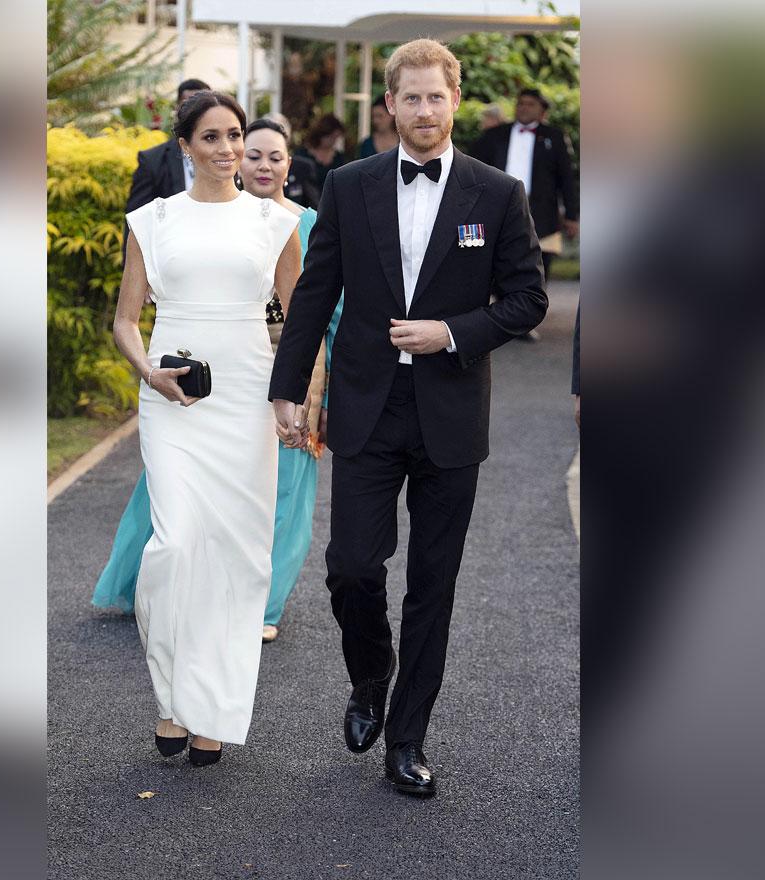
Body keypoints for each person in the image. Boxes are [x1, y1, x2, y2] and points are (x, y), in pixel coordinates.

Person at [268, 39, 548, 797]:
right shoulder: (352, 185)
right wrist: (286, 389)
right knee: (353, 567)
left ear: (455, 100)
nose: (424, 111)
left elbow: (528, 299)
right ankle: (369, 677)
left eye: (437, 96)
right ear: (389, 104)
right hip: (366, 406)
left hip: (452, 412)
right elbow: (315, 293)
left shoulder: (498, 195)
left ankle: (408, 738)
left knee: (434, 580)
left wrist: (452, 333)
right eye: (411, 97)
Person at [92, 117, 344, 644]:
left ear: (289, 165)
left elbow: (318, 316)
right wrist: (151, 368)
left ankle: (258, 606)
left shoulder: (302, 225)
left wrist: (311, 393)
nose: (259, 163)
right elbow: (129, 315)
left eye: (274, 156)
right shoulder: (170, 221)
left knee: (279, 497)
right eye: (252, 152)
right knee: (175, 508)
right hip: (191, 381)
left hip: (276, 374)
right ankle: (172, 595)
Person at [114, 91, 303, 767]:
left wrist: (296, 399)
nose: (229, 150)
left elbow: (297, 319)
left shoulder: (275, 223)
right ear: (185, 146)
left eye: (237, 136)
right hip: (173, 399)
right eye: (214, 138)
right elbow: (126, 319)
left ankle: (210, 712)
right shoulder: (154, 220)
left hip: (247, 399)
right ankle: (171, 697)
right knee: (174, 547)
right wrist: (147, 372)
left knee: (234, 556)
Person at [470, 88, 579, 281]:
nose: (524, 108)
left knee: (541, 261)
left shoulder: (554, 137)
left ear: (542, 111)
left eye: (530, 104)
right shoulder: (496, 135)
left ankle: (535, 303)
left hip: (542, 209)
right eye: (520, 103)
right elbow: (473, 167)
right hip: (499, 205)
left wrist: (571, 215)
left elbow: (566, 177)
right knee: (499, 256)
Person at [123, 78, 212, 214]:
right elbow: (136, 220)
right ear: (177, 109)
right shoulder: (152, 161)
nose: (196, 113)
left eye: (204, 107)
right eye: (188, 105)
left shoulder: (228, 157)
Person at [262, 112, 322, 209]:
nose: (265, 167)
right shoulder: (250, 167)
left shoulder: (302, 168)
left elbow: (314, 206)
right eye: (254, 157)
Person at [295, 113, 347, 191]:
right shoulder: (302, 155)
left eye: (336, 138)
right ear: (322, 134)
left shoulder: (338, 157)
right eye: (331, 137)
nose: (333, 141)